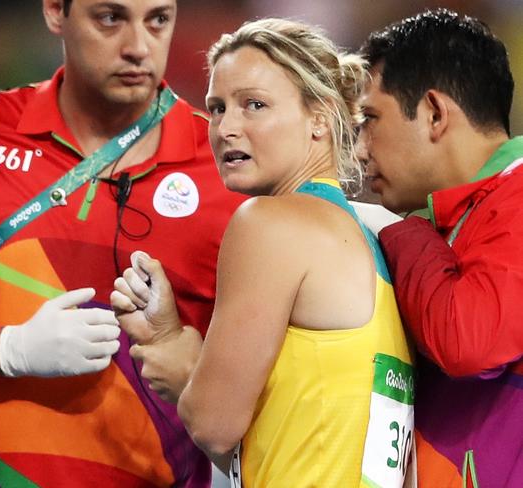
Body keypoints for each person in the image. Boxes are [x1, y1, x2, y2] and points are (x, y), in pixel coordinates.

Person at [0, 0, 245, 486]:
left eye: (158, 20)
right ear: (54, 12)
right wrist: (7, 349)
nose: (138, 47)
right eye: (110, 18)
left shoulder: (226, 169)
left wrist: (191, 365)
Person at [111, 18, 414, 487]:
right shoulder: (374, 233)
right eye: (216, 108)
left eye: (254, 105)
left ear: (320, 117)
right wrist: (171, 333)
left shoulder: (267, 224)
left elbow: (215, 425)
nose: (226, 127)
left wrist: (175, 353)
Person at [356, 8, 523, 487]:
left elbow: (468, 342)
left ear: (433, 112)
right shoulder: (453, 220)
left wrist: (395, 227)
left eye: (370, 118)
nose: (362, 149)